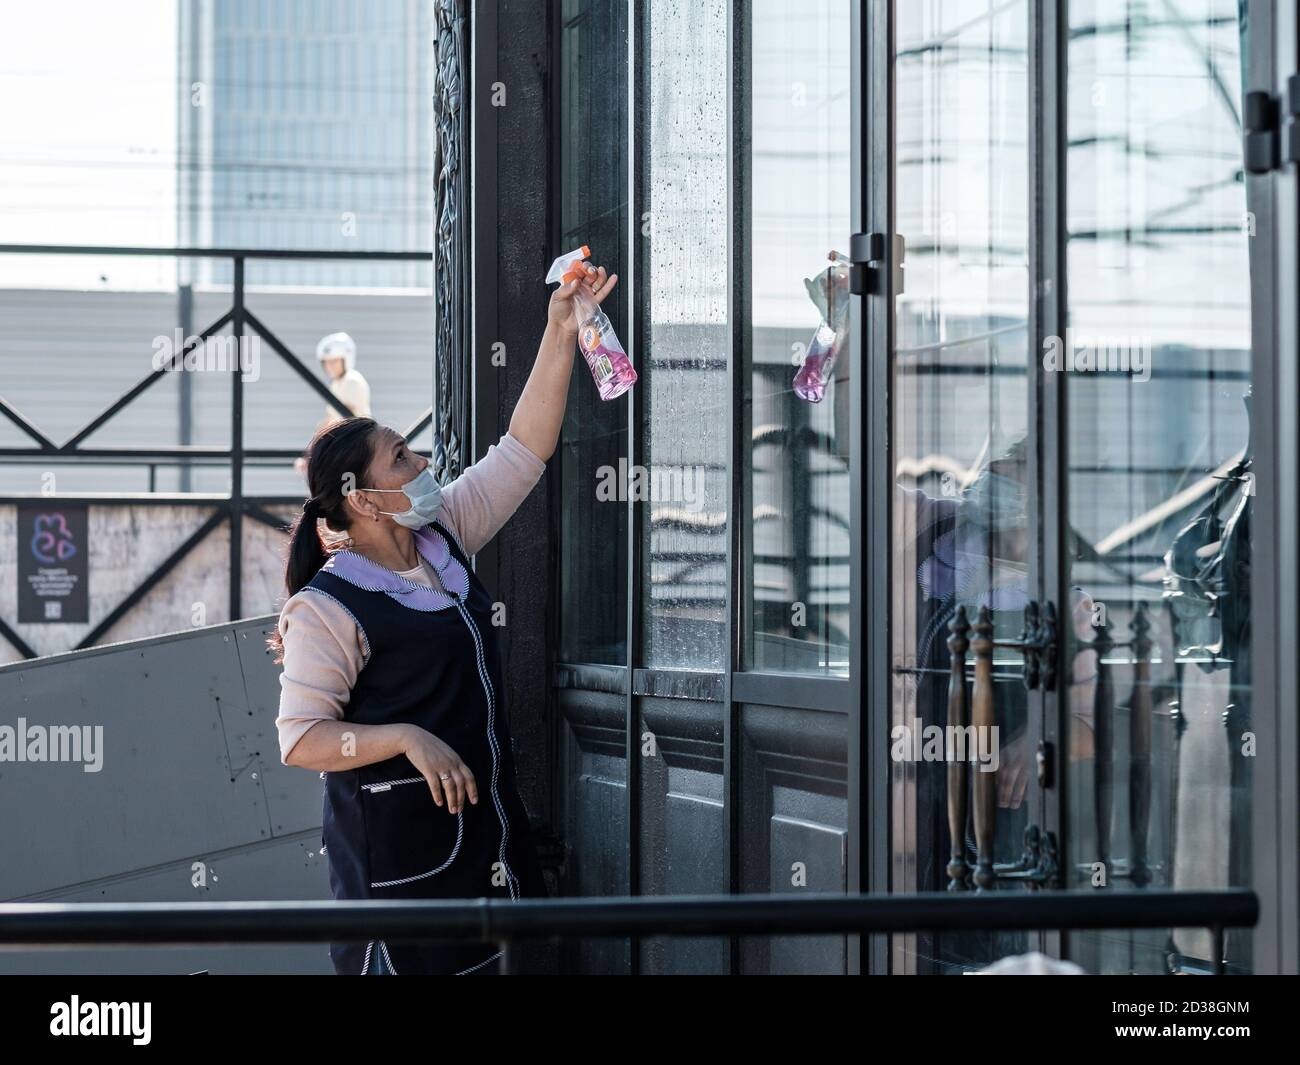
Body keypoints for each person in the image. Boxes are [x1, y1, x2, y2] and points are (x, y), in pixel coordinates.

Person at [268, 258, 618, 975]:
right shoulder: (327, 607)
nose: (420, 460)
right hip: (401, 887)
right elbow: (302, 739)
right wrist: (404, 737)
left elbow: (524, 449)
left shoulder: (442, 534)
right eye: (401, 458)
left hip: (486, 854)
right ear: (363, 501)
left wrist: (559, 331)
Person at [294, 332, 372, 478]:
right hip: (343, 445)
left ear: (346, 359)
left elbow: (345, 420)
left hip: (354, 446)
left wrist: (315, 453)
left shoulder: (351, 381)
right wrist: (311, 452)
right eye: (326, 362)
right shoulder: (337, 383)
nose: (329, 367)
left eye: (334, 361)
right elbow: (330, 419)